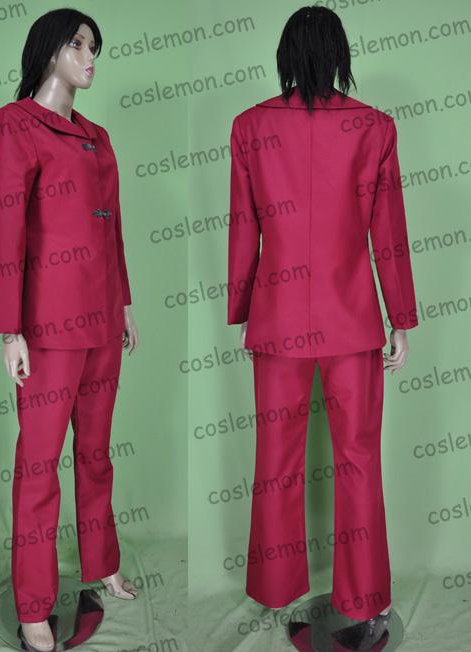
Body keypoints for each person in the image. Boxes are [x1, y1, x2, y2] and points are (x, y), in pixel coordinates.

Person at [226, 6, 417, 650]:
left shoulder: (250, 126)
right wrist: (401, 319)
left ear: (286, 54)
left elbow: (244, 227)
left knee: (277, 460)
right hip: (353, 320)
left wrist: (243, 311)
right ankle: (364, 604)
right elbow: (388, 233)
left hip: (276, 319)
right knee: (358, 460)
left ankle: (280, 589)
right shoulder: (374, 127)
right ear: (338, 54)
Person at [0, 8, 140, 651]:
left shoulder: (98, 136)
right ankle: (32, 604)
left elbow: (112, 225)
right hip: (47, 326)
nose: (90, 56)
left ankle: (102, 564)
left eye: (95, 46)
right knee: (39, 465)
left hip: (103, 320)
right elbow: (6, 229)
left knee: (97, 454)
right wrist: (8, 330)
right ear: (50, 51)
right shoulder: (13, 125)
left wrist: (124, 304)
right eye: (78, 44)